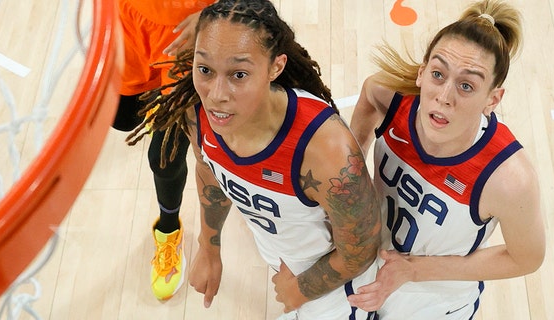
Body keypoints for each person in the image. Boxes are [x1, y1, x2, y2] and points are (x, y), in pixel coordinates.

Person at [126, 0, 382, 318]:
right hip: (280, 257)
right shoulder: (198, 113)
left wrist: (302, 288)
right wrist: (209, 248)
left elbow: (362, 251)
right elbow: (210, 173)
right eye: (205, 69)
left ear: (276, 67)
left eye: (239, 74)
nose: (217, 94)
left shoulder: (327, 150)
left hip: (339, 290)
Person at [347, 0, 545, 319]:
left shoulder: (508, 178)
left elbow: (526, 259)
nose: (444, 97)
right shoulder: (386, 95)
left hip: (435, 301)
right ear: (422, 73)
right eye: (438, 74)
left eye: (466, 86)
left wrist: (411, 270)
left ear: (492, 98)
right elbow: (367, 104)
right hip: (366, 268)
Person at [113, 0, 215, 301]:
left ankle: (168, 229)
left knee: (163, 159)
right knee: (124, 119)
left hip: (186, 30)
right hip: (129, 22)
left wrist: (216, 13)